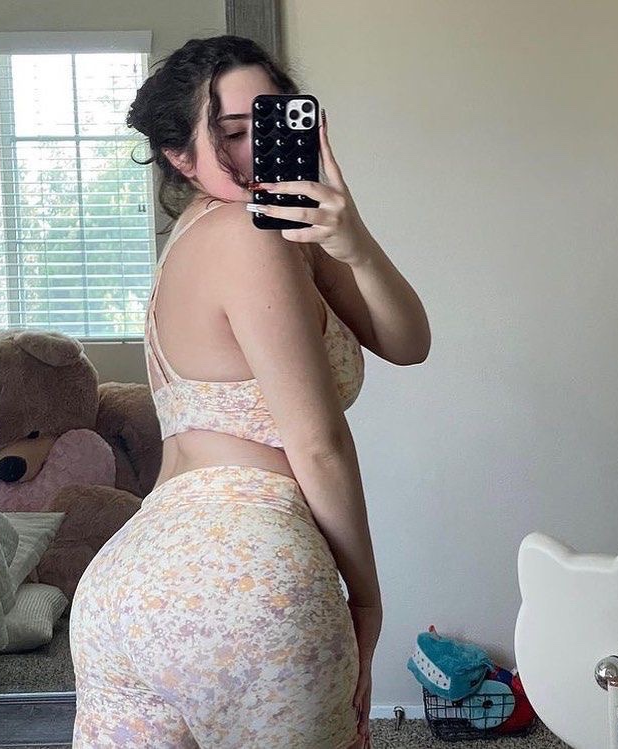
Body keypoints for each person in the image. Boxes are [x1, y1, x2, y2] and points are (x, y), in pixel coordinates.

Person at [69, 35, 430, 749]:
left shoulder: (223, 234)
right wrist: (365, 600)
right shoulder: (248, 235)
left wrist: (351, 237)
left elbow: (406, 341)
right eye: (233, 133)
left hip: (124, 589)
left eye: (269, 120)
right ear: (179, 157)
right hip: (246, 579)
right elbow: (317, 444)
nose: (259, 149)